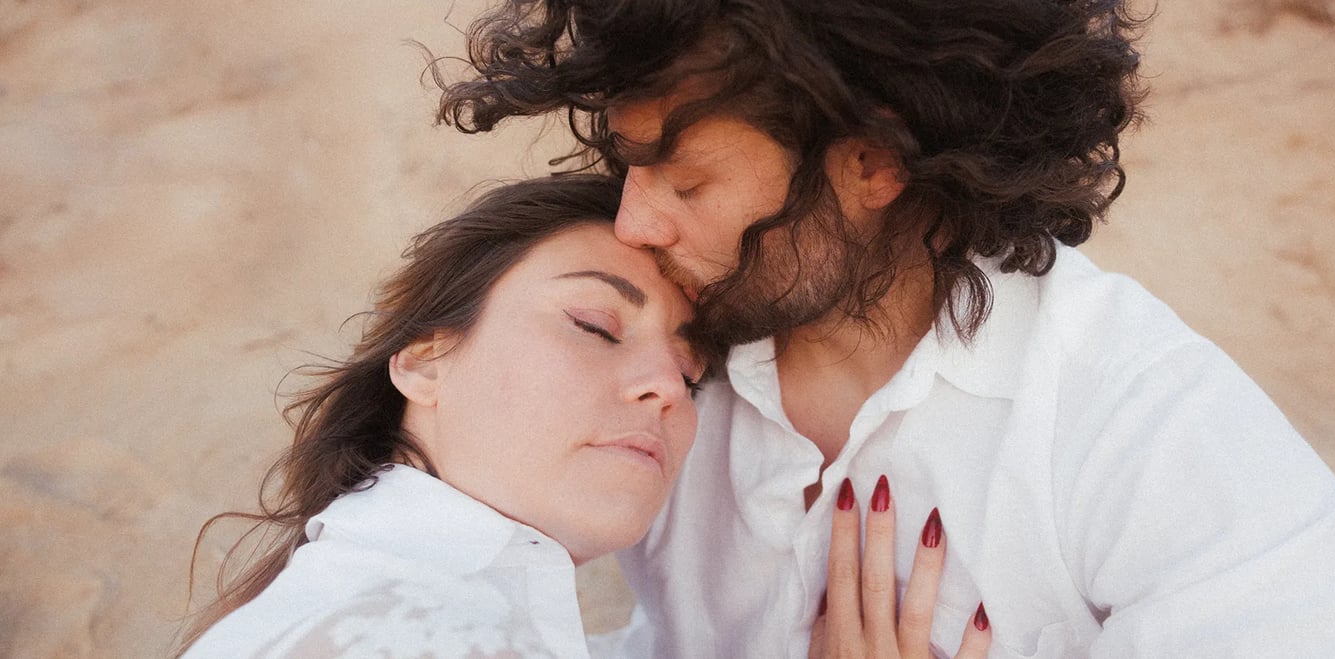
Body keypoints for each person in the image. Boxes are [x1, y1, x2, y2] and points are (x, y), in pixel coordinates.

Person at [434, 1, 1335, 657]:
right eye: (628, 167)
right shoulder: (644, 369)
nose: (634, 224)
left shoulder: (1154, 432)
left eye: (687, 182)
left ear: (873, 163)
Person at [177, 175, 993, 658]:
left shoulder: (371, 598)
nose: (667, 387)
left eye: (692, 373)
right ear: (425, 360)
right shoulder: (412, 631)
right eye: (596, 326)